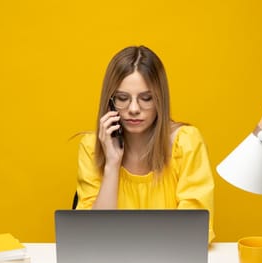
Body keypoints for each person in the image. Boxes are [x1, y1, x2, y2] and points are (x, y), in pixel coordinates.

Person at [74, 45, 215, 242]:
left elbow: (194, 232)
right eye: (122, 98)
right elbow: (93, 237)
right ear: (110, 101)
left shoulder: (186, 142)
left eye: (146, 98)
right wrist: (112, 164)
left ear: (160, 100)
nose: (133, 109)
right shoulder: (91, 146)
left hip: (169, 262)